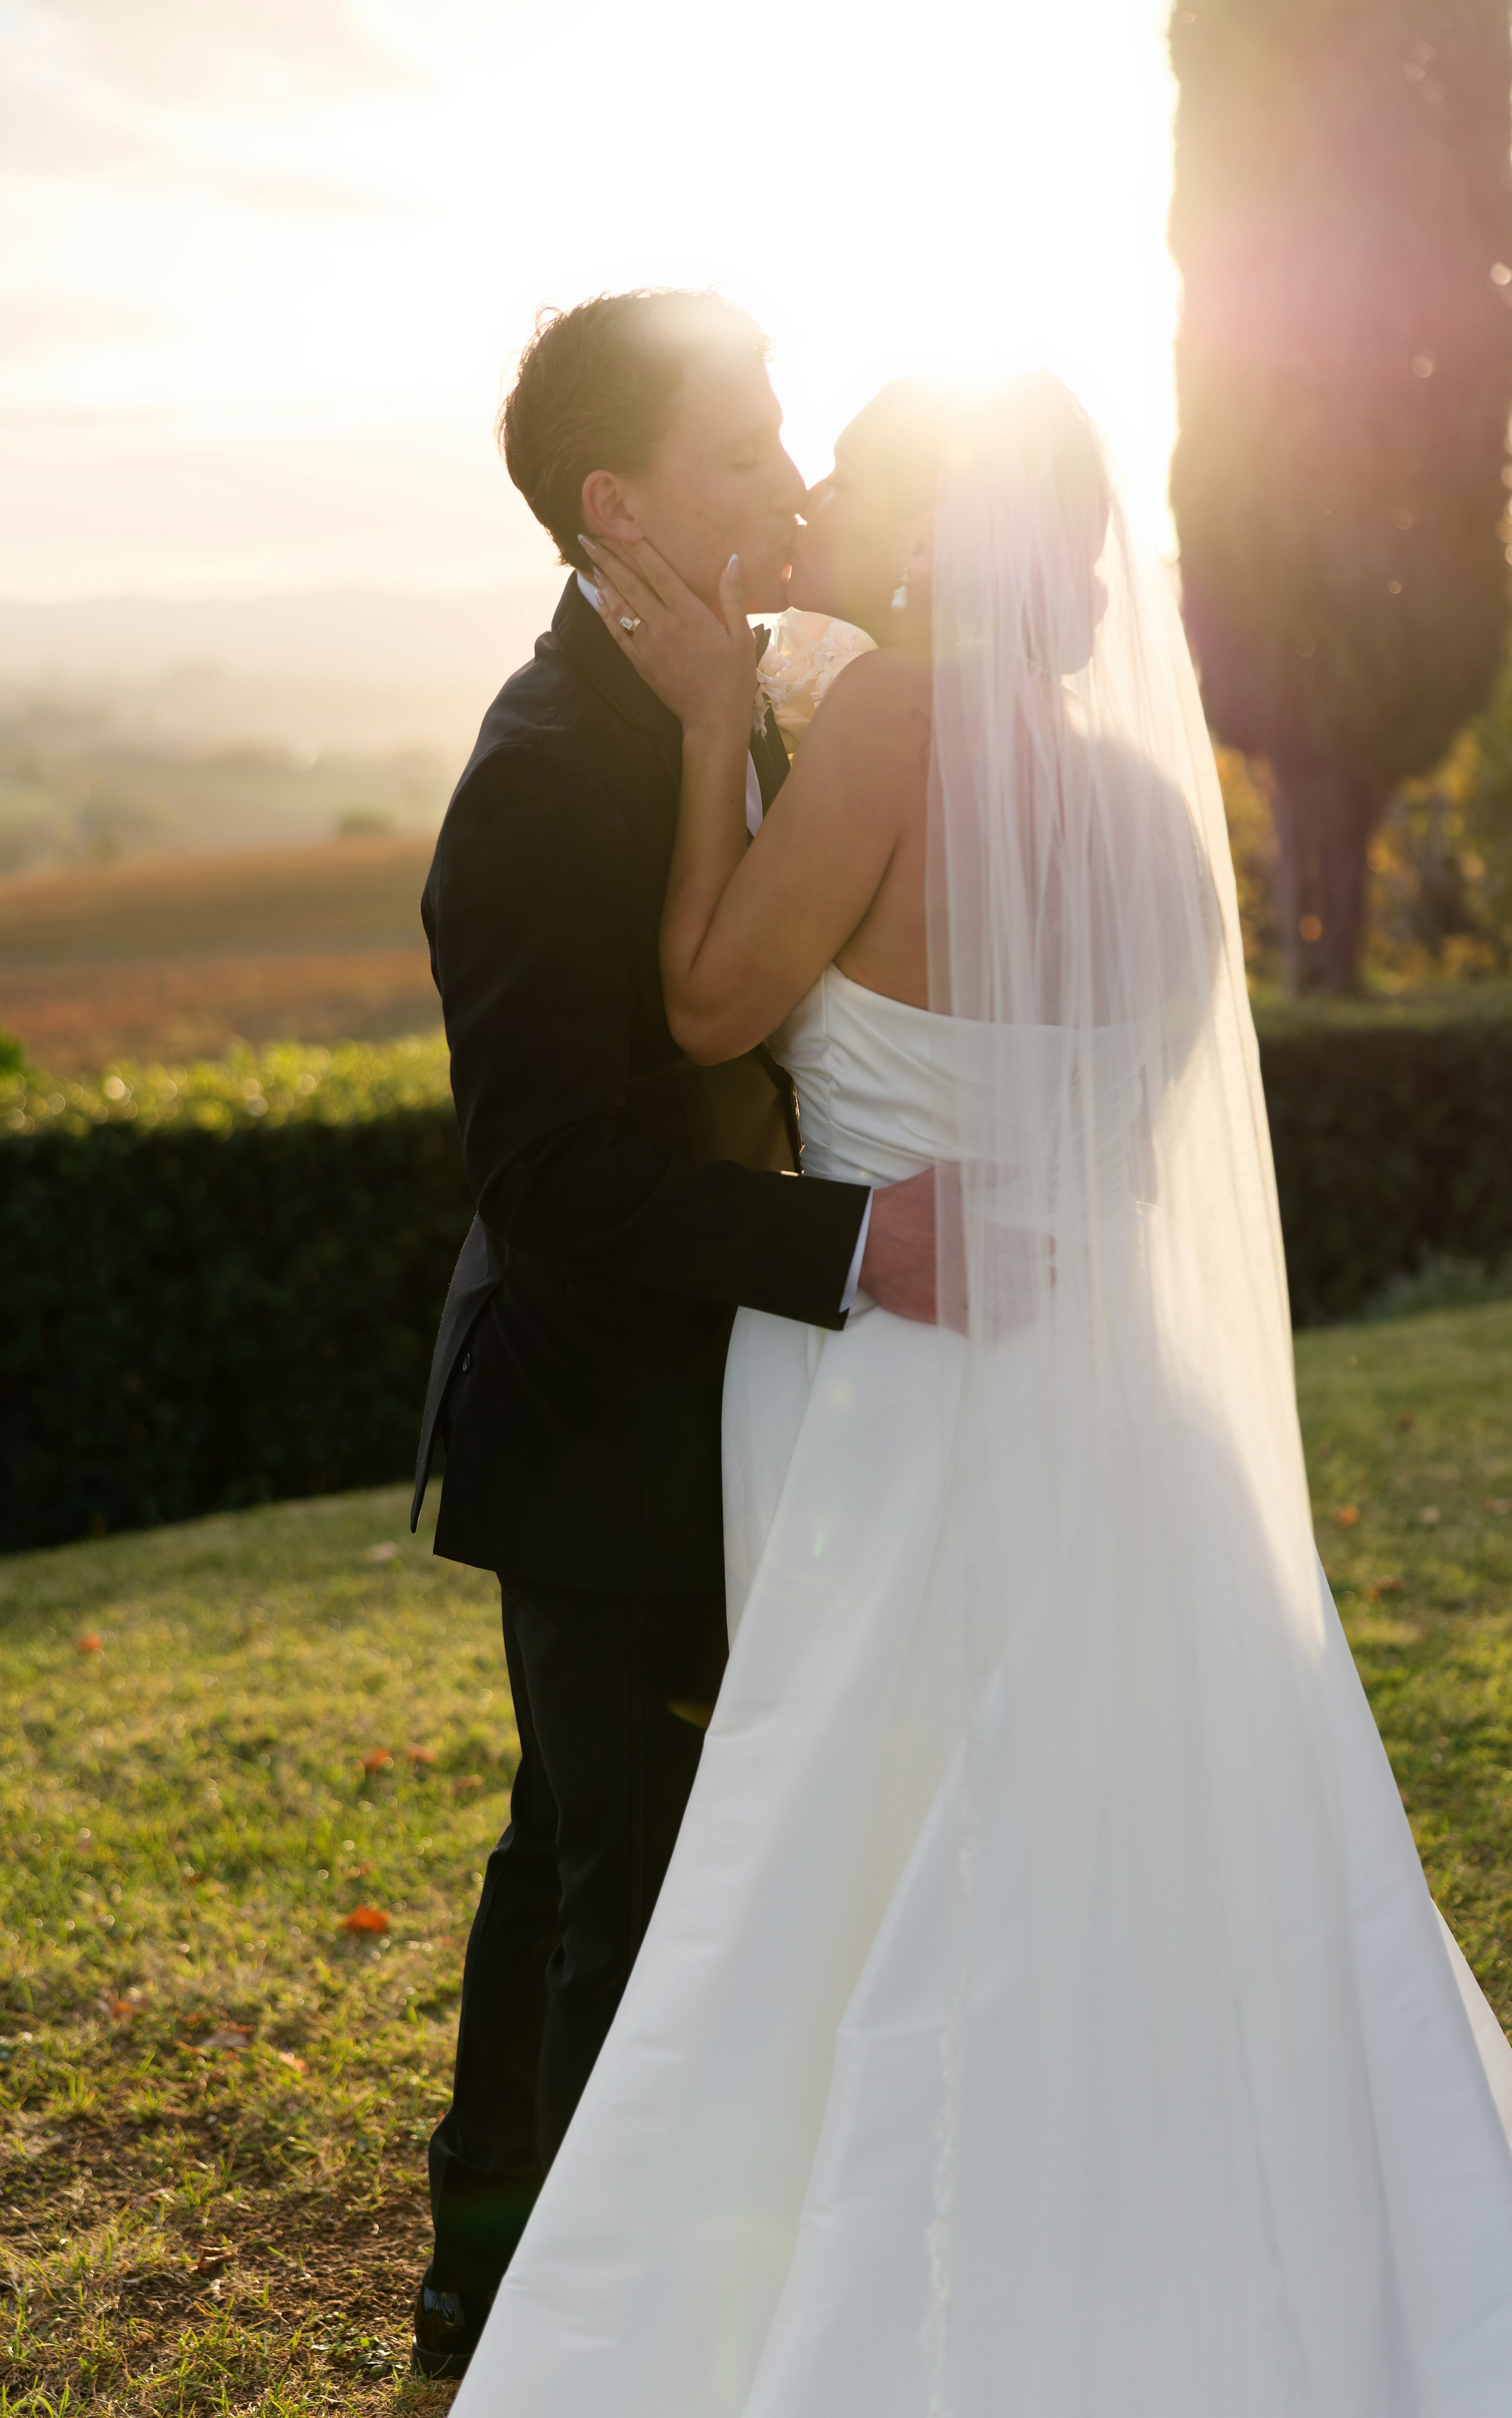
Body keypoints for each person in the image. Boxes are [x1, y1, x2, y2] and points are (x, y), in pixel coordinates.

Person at [448, 370, 1512, 2417]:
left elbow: (715, 1003)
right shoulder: (1153, 815)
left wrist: (725, 718)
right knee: (1152, 1865)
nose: (812, 507)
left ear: (921, 532)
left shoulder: (888, 725)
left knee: (851, 1855)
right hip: (1125, 1404)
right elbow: (1138, 1132)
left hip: (901, 1388)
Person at [406, 291, 940, 2380]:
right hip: (604, 1427)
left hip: (744, 1397)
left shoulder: (744, 697)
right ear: (618, 503)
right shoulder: (545, 781)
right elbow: (555, 1187)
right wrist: (862, 1242)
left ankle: (511, 2287)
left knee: (607, 1855)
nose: (794, 478)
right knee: (618, 1878)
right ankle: (548, 2317)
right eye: (747, 450)